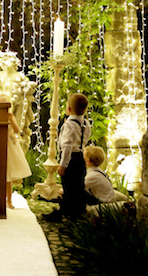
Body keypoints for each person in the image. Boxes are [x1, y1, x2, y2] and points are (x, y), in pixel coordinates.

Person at [43, 93, 92, 221]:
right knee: (78, 186)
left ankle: (68, 214)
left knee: (68, 187)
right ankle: (75, 212)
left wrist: (63, 165)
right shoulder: (86, 123)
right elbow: (86, 138)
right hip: (81, 157)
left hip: (70, 159)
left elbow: (67, 147)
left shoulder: (69, 125)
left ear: (69, 109)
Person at [0, 93, 32, 209]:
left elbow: (17, 130)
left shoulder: (10, 116)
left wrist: (10, 119)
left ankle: (9, 200)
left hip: (8, 145)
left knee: (7, 173)